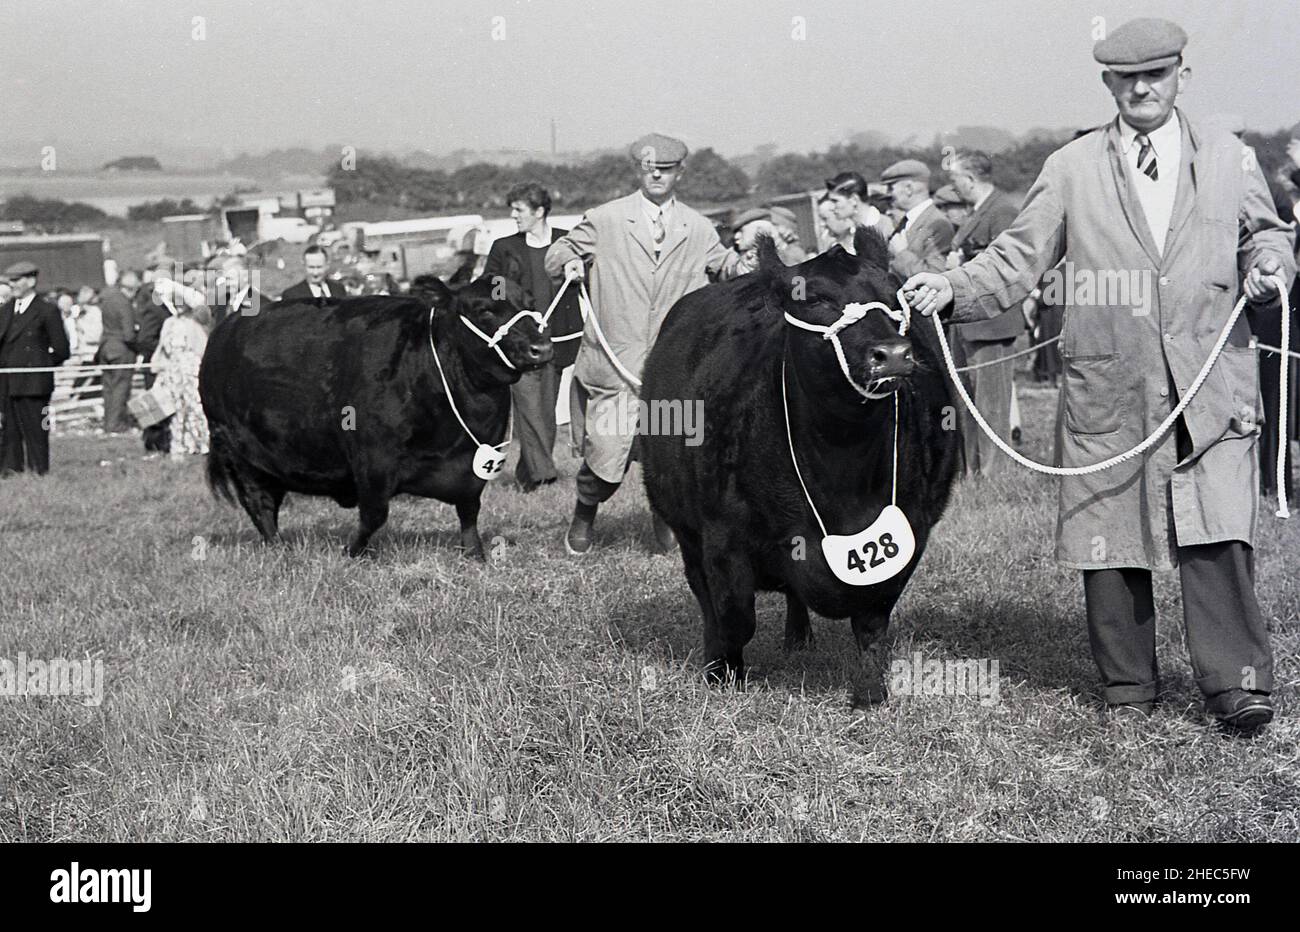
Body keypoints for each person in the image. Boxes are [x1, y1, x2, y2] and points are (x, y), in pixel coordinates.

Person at [903, 17, 1296, 732]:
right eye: (1127, 77)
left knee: (1215, 531)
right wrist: (951, 289)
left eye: (1157, 74)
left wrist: (1271, 264)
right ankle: (1128, 689)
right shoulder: (1071, 166)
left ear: (1183, 75)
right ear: (1108, 82)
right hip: (1108, 383)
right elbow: (1018, 259)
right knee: (1109, 537)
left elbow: (1262, 234)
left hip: (1208, 379)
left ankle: (1238, 687)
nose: (1142, 88)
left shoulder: (1229, 156)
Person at [545, 132, 739, 554]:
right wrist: (572, 262)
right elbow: (555, 253)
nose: (656, 177)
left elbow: (726, 268)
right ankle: (584, 515)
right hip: (615, 365)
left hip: (672, 369)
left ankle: (666, 523)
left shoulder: (699, 227)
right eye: (649, 169)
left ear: (679, 173)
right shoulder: (606, 219)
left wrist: (749, 261)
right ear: (638, 170)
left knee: (668, 456)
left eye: (665, 170)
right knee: (607, 457)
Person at [482, 181, 584, 492]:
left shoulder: (565, 242)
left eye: (519, 210)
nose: (513, 215)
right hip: (518, 344)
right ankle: (544, 473)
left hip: (558, 340)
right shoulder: (504, 248)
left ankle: (528, 477)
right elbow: (489, 289)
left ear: (539, 211)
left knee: (545, 409)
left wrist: (579, 272)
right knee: (527, 404)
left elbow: (586, 277)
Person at [945, 149, 1028, 476]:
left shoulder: (1002, 211)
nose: (954, 188)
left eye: (955, 180)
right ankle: (973, 469)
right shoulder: (978, 211)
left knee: (991, 404)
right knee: (968, 402)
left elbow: (1007, 267)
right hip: (966, 319)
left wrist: (961, 264)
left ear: (969, 179)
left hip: (991, 322)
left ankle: (995, 473)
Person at [0, 261, 71, 475]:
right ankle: (11, 471)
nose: (12, 285)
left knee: (37, 431)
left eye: (17, 280)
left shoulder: (46, 310)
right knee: (9, 430)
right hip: (7, 383)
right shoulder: (5, 310)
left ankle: (39, 471)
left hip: (35, 385)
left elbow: (61, 349)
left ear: (31, 281)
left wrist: (39, 366)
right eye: (10, 280)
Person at [151, 302, 211, 460]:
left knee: (195, 406)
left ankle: (201, 443)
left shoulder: (193, 324)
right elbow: (162, 346)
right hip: (172, 368)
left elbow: (201, 348)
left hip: (190, 368)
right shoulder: (169, 323)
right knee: (173, 407)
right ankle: (177, 444)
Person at [881, 159, 954, 279]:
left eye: (891, 188)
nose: (888, 194)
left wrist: (901, 253)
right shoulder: (907, 220)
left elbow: (935, 275)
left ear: (908, 189)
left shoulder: (938, 224)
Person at [97, 270, 140, 433]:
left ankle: (109, 422)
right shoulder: (124, 303)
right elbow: (129, 334)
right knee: (121, 387)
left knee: (108, 388)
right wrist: (139, 346)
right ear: (132, 288)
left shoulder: (108, 300)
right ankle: (116, 424)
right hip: (122, 349)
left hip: (106, 346)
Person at [823, 171, 894, 240]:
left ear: (854, 199)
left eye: (835, 201)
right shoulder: (848, 234)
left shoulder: (886, 227)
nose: (831, 208)